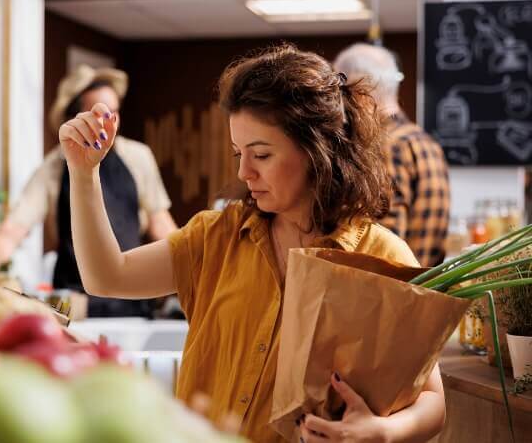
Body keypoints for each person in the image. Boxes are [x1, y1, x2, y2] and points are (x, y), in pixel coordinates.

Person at [59, 44, 446, 442]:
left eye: (261, 154)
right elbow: (105, 276)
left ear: (318, 151)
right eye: (238, 153)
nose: (244, 172)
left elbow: (434, 402)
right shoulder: (215, 237)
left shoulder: (381, 257)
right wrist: (83, 172)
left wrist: (381, 432)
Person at [0, 64, 177, 317]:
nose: (110, 123)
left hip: (133, 299)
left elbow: (160, 224)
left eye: (114, 113)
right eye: (98, 115)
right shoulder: (53, 168)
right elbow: (13, 230)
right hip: (76, 304)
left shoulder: (138, 157)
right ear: (76, 116)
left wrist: (194, 270)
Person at [334, 43, 450, 267]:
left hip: (395, 292)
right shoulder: (425, 141)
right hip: (424, 288)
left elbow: (381, 246)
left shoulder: (382, 147)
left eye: (339, 92)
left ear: (359, 89)